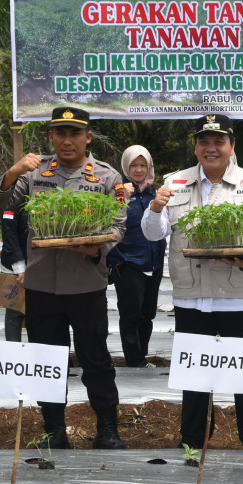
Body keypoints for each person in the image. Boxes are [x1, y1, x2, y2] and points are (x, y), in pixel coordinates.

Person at [142, 114, 243, 450]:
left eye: (219, 141)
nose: (211, 148)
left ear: (232, 146)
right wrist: (155, 208)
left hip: (239, 297)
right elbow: (153, 233)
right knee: (195, 374)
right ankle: (193, 439)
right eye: (204, 141)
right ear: (196, 147)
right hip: (192, 298)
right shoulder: (173, 183)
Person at [0, 107, 127, 449]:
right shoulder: (32, 173)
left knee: (95, 359)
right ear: (50, 137)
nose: (67, 141)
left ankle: (108, 429)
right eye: (60, 133)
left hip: (86, 286)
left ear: (88, 138)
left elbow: (118, 227)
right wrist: (11, 173)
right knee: (46, 361)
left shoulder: (107, 177)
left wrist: (94, 249)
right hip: (39, 286)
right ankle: (54, 429)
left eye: (75, 133)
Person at [108, 145, 166, 369]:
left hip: (154, 261)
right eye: (134, 165)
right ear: (125, 166)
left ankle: (142, 355)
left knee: (148, 313)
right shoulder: (118, 191)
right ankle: (134, 360)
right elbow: (108, 222)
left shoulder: (156, 192)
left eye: (143, 165)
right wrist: (121, 197)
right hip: (128, 262)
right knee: (131, 314)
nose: (139, 170)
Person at [0, 202, 28, 342]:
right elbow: (9, 234)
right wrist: (19, 267)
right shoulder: (13, 199)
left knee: (41, 314)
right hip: (15, 267)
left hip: (43, 266)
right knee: (15, 312)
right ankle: (14, 355)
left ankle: (41, 358)